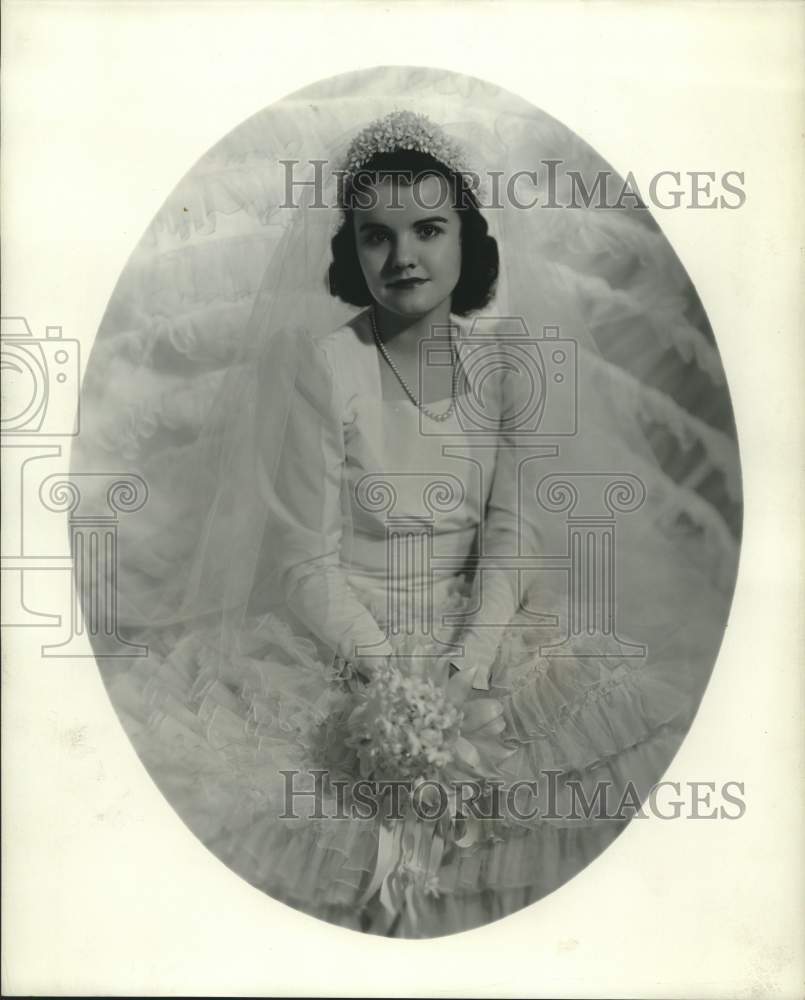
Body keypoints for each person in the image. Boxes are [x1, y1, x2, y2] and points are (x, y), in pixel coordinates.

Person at [95, 110, 736, 937]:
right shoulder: (328, 367)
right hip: (343, 636)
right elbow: (302, 560)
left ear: (467, 237)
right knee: (316, 820)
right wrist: (390, 675)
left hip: (480, 628)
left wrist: (464, 670)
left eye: (428, 229)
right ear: (349, 250)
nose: (403, 257)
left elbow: (513, 536)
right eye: (376, 236)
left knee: (581, 781)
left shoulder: (509, 362)